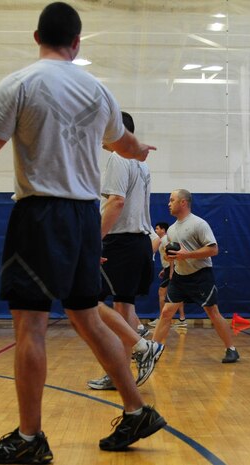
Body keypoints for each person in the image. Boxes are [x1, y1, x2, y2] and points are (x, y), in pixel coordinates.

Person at [0, 3, 165, 462]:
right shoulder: (98, 90)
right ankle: (137, 409)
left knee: (31, 325)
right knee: (87, 316)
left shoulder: (20, 83)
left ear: (36, 35)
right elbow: (127, 144)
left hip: (40, 216)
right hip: (83, 220)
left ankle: (29, 437)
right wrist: (139, 149)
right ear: (77, 44)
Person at [88, 111, 164, 391]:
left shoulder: (119, 158)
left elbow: (117, 203)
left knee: (87, 301)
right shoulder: (141, 165)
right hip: (138, 244)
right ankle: (120, 373)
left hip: (121, 243)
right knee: (123, 309)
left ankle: (144, 346)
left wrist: (95, 241)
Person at [151, 189, 240, 363]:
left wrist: (187, 255)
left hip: (200, 276)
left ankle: (231, 349)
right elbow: (174, 255)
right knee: (167, 312)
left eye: (172, 200)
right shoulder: (172, 229)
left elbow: (213, 249)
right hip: (179, 276)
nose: (168, 204)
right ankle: (152, 349)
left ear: (183, 202)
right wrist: (171, 259)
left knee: (213, 312)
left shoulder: (199, 224)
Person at [153, 221, 186, 328]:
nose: (155, 230)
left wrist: (171, 271)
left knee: (162, 292)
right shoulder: (163, 240)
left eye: (157, 228)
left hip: (172, 269)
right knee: (176, 294)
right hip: (168, 269)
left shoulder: (165, 241)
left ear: (163, 230)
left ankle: (162, 320)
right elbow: (166, 257)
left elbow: (172, 256)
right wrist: (164, 269)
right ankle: (182, 319)